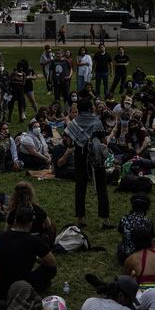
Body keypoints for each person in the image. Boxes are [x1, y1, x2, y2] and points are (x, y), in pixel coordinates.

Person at [64, 97, 110, 228]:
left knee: (80, 187)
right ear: (91, 108)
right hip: (96, 157)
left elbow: (68, 142)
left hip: (80, 156)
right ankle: (105, 220)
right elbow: (104, 141)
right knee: (102, 187)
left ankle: (80, 219)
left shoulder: (73, 123)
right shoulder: (97, 121)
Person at [0, 207, 57, 298]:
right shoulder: (34, 241)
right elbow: (52, 263)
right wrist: (35, 259)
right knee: (51, 269)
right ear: (30, 223)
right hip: (22, 284)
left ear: (15, 220)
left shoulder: (0, 236)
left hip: (2, 284)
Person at [116, 193, 154, 264]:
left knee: (120, 244)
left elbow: (121, 232)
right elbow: (151, 238)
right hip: (143, 258)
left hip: (125, 257)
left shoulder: (124, 219)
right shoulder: (148, 221)